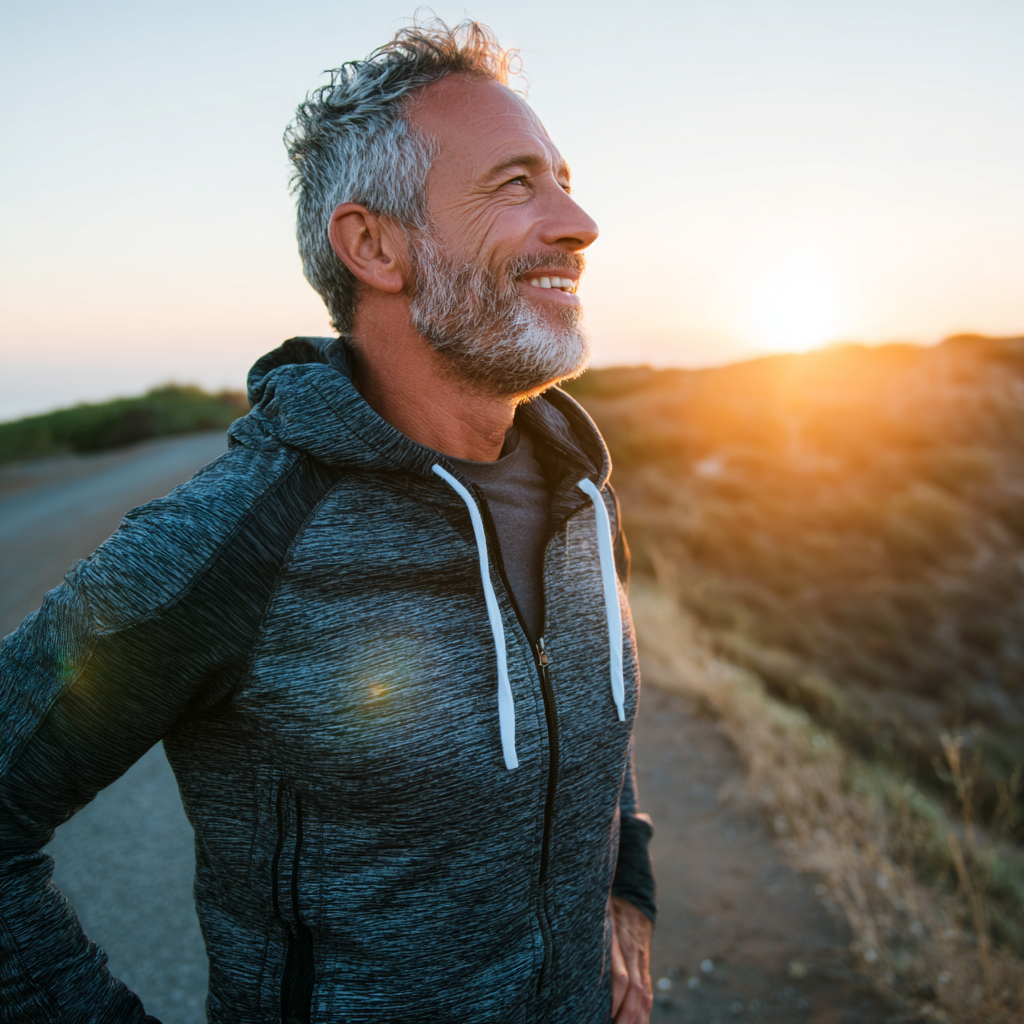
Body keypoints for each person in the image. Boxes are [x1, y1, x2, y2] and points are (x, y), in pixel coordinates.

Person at [0, 19, 655, 1024]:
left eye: (562, 177)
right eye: (516, 184)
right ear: (374, 246)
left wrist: (627, 885)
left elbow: (591, 707)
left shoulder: (578, 485)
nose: (580, 222)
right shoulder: (241, 534)